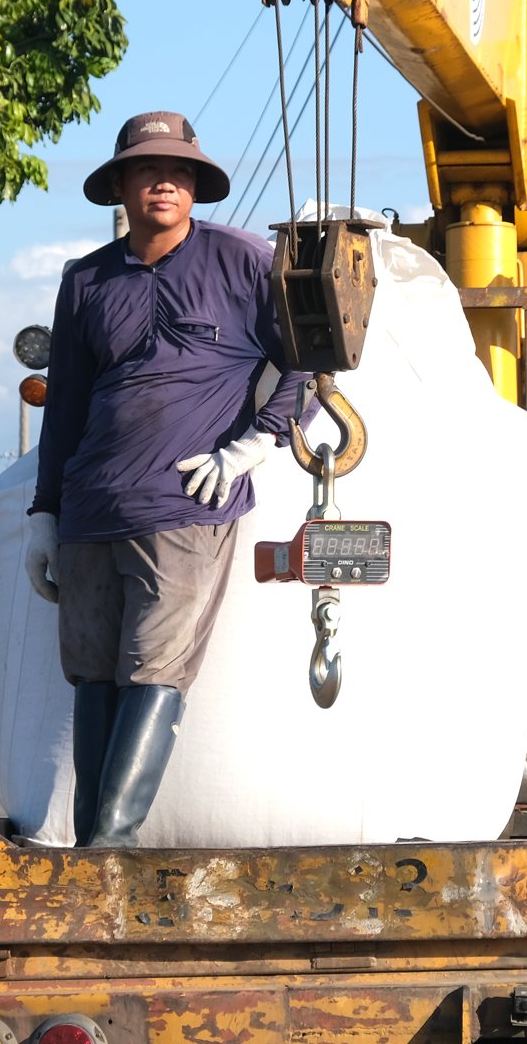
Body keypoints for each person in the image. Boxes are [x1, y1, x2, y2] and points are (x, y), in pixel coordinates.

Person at [22, 111, 312, 848]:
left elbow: (312, 357)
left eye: (179, 172)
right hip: (91, 507)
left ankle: (109, 845)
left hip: (187, 505)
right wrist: (43, 514)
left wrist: (256, 443)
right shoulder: (85, 280)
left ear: (196, 187)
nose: (164, 183)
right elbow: (66, 407)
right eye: (149, 171)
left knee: (154, 668)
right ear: (119, 185)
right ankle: (90, 847)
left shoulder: (244, 261)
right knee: (92, 672)